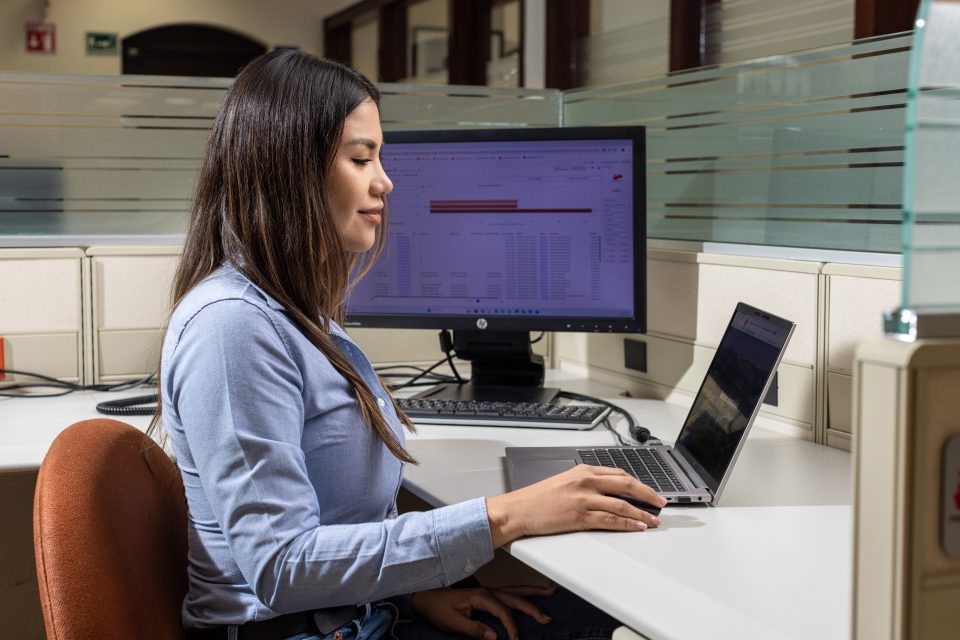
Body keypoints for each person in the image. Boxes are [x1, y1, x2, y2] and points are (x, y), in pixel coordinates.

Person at [155, 48, 666, 640]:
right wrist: (510, 515)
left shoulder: (292, 310)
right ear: (288, 169)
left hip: (355, 615)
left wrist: (414, 593)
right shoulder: (232, 327)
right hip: (298, 630)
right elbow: (283, 569)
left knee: (593, 617)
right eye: (360, 158)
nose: (385, 181)